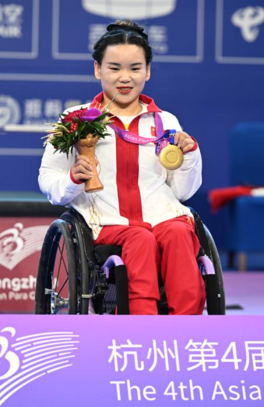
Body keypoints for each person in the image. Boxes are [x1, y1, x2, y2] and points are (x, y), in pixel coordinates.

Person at [39, 20, 204, 315]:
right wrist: (73, 179)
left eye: (135, 68)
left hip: (161, 215)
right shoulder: (75, 120)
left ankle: (187, 329)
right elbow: (48, 179)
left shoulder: (165, 122)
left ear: (148, 71)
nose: (124, 78)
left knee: (180, 234)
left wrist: (189, 155)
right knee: (139, 239)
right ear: (97, 69)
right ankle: (141, 331)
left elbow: (182, 192)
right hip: (106, 220)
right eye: (114, 68)